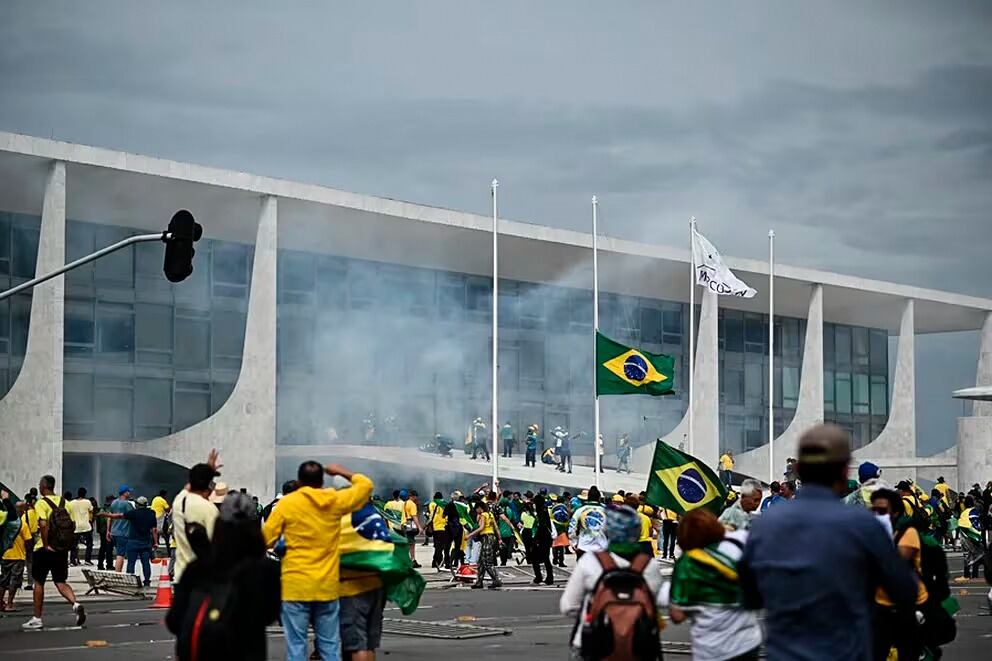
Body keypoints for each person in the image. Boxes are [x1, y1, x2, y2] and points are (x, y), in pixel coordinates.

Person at [739, 424, 918, 660]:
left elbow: (749, 596)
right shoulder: (864, 525)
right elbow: (905, 590)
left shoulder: (766, 525)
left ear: (799, 470)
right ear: (844, 472)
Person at [262, 461, 373, 661]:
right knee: (329, 645)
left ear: (299, 481)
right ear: (322, 480)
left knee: (296, 645)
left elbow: (265, 539)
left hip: (295, 585)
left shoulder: (287, 503)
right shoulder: (334, 500)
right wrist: (341, 470)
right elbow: (365, 486)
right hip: (327, 585)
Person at [166, 493, 281, 661]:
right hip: (247, 651)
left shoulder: (197, 568)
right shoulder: (265, 570)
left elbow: (174, 620)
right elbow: (269, 615)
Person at [560, 505, 666, 656]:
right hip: (639, 646)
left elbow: (568, 606)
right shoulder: (649, 565)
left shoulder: (591, 561)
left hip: (594, 644)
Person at [668, 509, 763, 661]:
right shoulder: (738, 548)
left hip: (712, 649)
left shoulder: (688, 563)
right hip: (748, 642)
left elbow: (677, 615)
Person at [869, 488, 928, 661]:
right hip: (882, 604)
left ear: (895, 512)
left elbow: (896, 565)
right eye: (874, 510)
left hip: (908, 604)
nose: (877, 515)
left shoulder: (907, 534)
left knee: (907, 652)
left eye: (882, 511)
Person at [22, 475, 86, 630]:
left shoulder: (41, 503)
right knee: (60, 581)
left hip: (44, 549)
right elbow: (72, 525)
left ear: (43, 486)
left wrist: (45, 544)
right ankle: (75, 604)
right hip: (61, 549)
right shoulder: (66, 503)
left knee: (39, 582)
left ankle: (37, 618)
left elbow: (43, 525)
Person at [172, 460, 222, 584]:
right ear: (209, 485)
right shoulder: (209, 509)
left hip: (181, 577)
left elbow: (187, 487)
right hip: (203, 580)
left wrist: (205, 471)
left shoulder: (179, 502)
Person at [100, 495, 158, 587]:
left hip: (133, 542)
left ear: (137, 505)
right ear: (146, 504)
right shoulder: (151, 513)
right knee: (146, 563)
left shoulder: (133, 513)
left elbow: (119, 516)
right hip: (146, 543)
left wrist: (107, 515)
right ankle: (147, 581)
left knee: (131, 562)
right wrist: (155, 542)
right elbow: (154, 529)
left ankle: (131, 581)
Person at [1, 502, 33, 612]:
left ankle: (0, 603)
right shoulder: (22, 524)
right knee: (14, 582)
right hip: (18, 557)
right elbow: (28, 542)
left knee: (3, 581)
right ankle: (9, 604)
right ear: (21, 511)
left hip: (5, 556)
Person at [465, 501, 502, 589]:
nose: (476, 511)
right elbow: (496, 528)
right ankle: (479, 582)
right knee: (481, 562)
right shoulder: (490, 515)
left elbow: (481, 527)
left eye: (476, 509)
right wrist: (499, 538)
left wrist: (470, 535)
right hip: (492, 537)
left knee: (487, 561)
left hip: (486, 538)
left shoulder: (483, 515)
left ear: (480, 508)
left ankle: (496, 580)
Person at [568, 486, 607, 559]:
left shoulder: (580, 510)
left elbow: (571, 528)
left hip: (584, 547)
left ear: (588, 497)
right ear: (599, 498)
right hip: (601, 548)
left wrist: (574, 543)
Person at [109, 486, 135, 572]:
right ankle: (117, 573)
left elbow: (110, 518)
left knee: (119, 552)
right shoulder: (127, 504)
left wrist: (108, 531)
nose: (129, 493)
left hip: (114, 532)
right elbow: (133, 517)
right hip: (123, 532)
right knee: (120, 554)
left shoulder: (113, 503)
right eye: (128, 492)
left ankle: (118, 571)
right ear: (125, 493)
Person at [68, 487, 94, 567]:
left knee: (74, 545)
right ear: (85, 494)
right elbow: (91, 511)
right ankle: (87, 560)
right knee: (89, 544)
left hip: (76, 527)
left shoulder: (71, 503)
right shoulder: (87, 502)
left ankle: (73, 561)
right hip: (86, 526)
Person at [428, 492, 449, 571]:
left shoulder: (432, 504)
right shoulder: (445, 504)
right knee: (443, 546)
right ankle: (439, 561)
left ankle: (435, 561)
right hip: (443, 527)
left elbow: (431, 515)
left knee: (437, 545)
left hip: (435, 527)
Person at [443, 498, 464, 569]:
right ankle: (456, 562)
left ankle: (447, 562)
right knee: (457, 546)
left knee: (447, 547)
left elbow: (443, 516)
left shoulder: (448, 506)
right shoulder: (460, 507)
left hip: (449, 528)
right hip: (458, 528)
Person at [95, 495, 114, 571]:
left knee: (102, 548)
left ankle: (100, 564)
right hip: (108, 531)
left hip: (102, 531)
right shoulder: (111, 509)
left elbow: (98, 522)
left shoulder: (101, 509)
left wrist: (99, 531)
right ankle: (109, 565)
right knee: (109, 548)